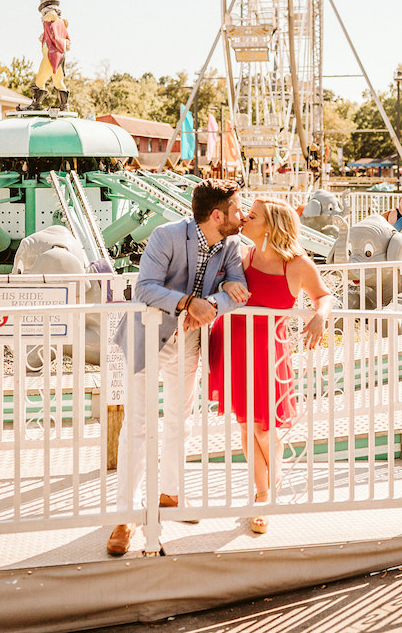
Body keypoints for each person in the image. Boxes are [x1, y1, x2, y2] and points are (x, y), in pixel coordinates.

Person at [108, 179, 250, 556]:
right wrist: (189, 303)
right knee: (137, 425)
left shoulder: (231, 244)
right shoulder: (166, 235)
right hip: (147, 337)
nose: (243, 215)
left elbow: (238, 288)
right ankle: (125, 515)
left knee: (179, 419)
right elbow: (145, 288)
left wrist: (211, 305)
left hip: (188, 341)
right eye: (237, 210)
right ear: (217, 215)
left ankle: (171, 493)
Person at [206, 198, 332, 534]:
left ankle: (265, 495)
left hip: (268, 350)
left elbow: (323, 295)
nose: (245, 217)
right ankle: (262, 495)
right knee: (247, 426)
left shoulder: (298, 264)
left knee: (264, 427)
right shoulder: (242, 254)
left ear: (271, 226)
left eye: (253, 215)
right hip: (232, 343)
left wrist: (320, 315)